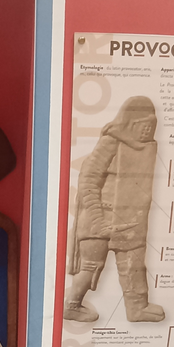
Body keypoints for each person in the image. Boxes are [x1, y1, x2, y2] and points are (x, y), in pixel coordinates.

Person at [64, 96, 165, 323]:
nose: (148, 130)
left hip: (131, 221)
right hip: (99, 218)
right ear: (130, 124)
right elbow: (88, 179)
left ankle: (137, 308)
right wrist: (97, 219)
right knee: (90, 266)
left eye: (152, 125)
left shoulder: (147, 148)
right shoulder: (111, 142)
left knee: (134, 266)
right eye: (143, 125)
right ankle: (72, 305)